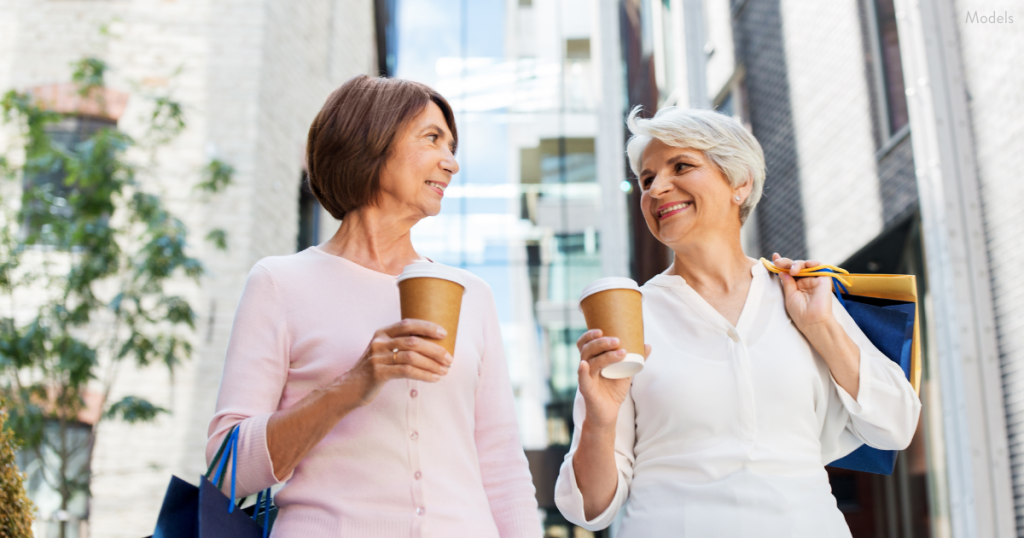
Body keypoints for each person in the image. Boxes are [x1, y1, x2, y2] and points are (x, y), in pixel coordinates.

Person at [554, 106, 921, 537]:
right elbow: (591, 510)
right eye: (647, 179)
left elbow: (896, 425)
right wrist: (599, 419)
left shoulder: (801, 296)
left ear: (739, 183)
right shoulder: (631, 315)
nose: (657, 189)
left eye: (681, 166)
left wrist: (822, 327)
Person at [207, 75, 542, 537]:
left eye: (452, 145)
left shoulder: (471, 294)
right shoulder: (280, 283)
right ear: (372, 141)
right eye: (432, 139)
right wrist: (356, 381)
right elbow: (226, 470)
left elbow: (502, 464)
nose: (452, 163)